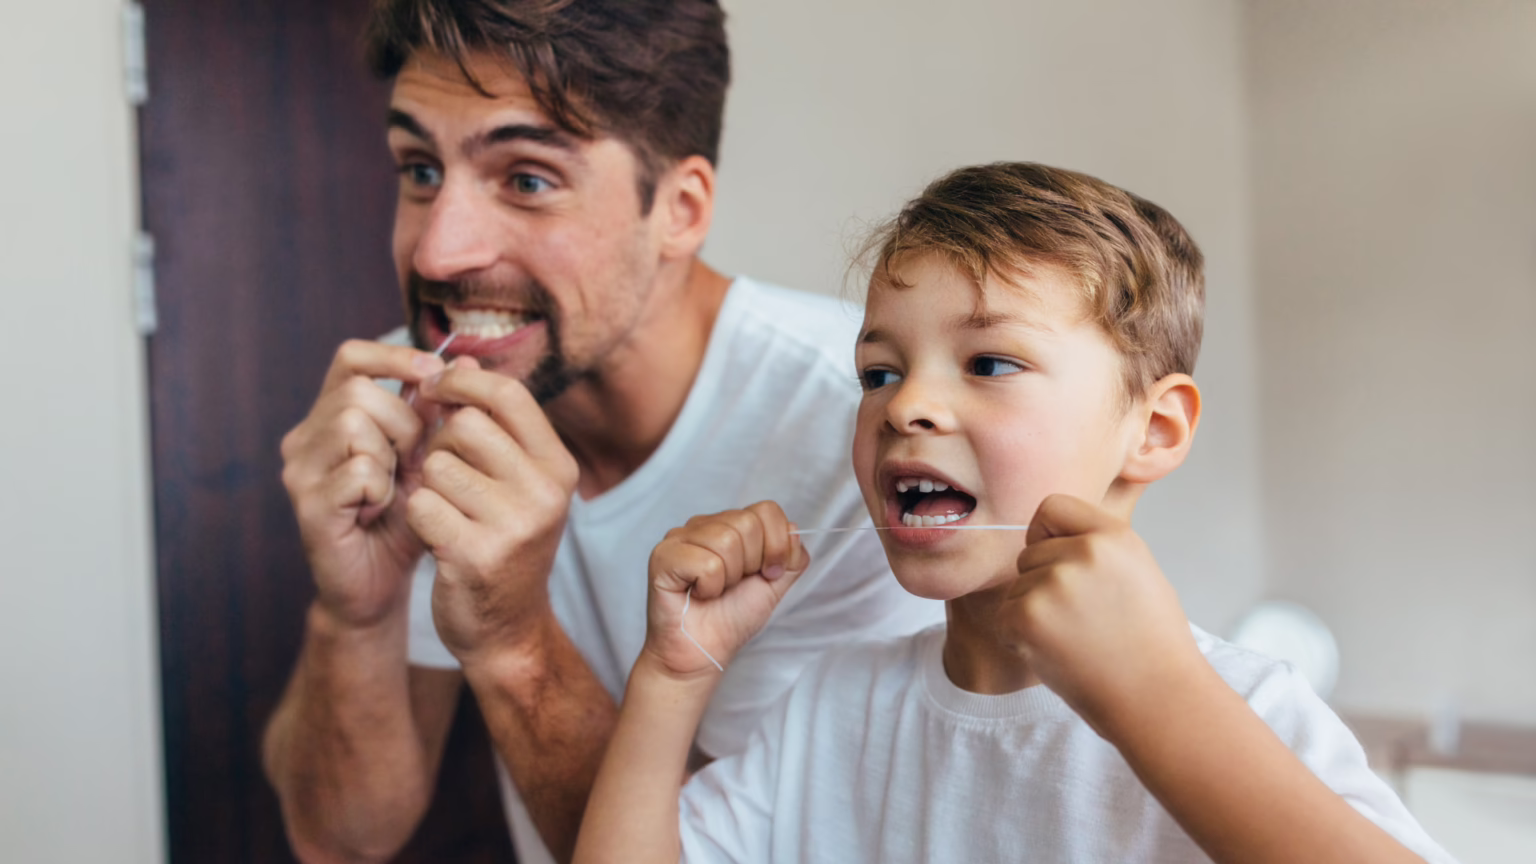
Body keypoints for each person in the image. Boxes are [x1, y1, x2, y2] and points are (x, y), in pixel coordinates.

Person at [573, 163, 1457, 864]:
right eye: (878, 373)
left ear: (1152, 429)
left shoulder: (1251, 706)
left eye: (990, 364)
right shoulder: (835, 708)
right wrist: (673, 679)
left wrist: (1156, 698)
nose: (906, 405)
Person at [260, 2, 941, 863]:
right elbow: (340, 839)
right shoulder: (418, 397)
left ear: (681, 210)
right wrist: (353, 614)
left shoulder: (870, 436)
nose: (438, 254)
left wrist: (514, 646)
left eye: (527, 179)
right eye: (419, 169)